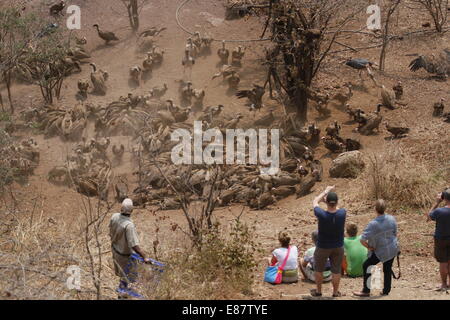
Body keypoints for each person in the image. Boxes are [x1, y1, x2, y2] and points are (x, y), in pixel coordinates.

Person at [353, 199, 399, 297]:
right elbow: (395, 233)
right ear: (385, 208)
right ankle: (386, 291)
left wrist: (369, 247)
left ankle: (366, 291)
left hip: (380, 251)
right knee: (387, 268)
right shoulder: (392, 219)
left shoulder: (373, 224)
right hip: (392, 248)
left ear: (375, 209)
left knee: (366, 265)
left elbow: (362, 240)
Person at [109, 198, 152, 295]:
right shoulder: (129, 225)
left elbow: (110, 232)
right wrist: (145, 256)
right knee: (128, 278)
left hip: (115, 251)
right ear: (132, 210)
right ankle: (123, 296)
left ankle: (122, 293)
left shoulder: (114, 216)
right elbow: (134, 245)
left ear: (121, 208)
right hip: (124, 256)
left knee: (122, 276)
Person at [311, 186, 347, 297]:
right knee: (336, 271)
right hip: (338, 246)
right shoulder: (342, 213)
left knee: (319, 269)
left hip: (323, 246)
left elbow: (315, 201)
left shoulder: (321, 214)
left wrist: (325, 192)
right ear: (336, 202)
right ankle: (335, 292)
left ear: (326, 202)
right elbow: (337, 208)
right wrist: (329, 200)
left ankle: (318, 291)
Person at [426, 188, 450, 291]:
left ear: (443, 198)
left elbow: (428, 217)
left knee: (443, 263)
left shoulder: (439, 211)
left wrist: (437, 202)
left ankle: (444, 284)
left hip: (441, 239)